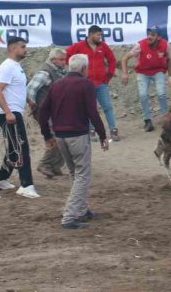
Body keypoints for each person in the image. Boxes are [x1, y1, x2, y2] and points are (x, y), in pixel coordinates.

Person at [38, 53, 109, 230]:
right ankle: (69, 216)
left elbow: (43, 113)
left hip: (60, 136)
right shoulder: (86, 85)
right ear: (84, 68)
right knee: (82, 175)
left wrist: (47, 135)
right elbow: (93, 113)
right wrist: (102, 135)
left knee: (74, 173)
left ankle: (81, 210)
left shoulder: (56, 85)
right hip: (77, 135)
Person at [0, 37, 40, 199]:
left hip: (14, 111)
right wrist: (8, 112)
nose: (26, 49)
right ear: (13, 49)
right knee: (21, 147)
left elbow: (17, 88)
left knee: (14, 147)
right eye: (23, 47)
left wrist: (29, 101)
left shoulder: (16, 66)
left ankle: (0, 179)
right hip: (9, 113)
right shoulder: (7, 67)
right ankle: (26, 185)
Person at [66, 25, 119, 141]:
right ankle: (91, 131)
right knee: (90, 108)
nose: (100, 37)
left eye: (101, 35)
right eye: (98, 35)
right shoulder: (79, 46)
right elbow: (67, 56)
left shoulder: (103, 46)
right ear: (90, 34)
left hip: (101, 83)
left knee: (108, 107)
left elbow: (112, 60)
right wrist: (75, 73)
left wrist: (109, 75)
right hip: (86, 84)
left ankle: (113, 130)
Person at [27, 48, 69, 179]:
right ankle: (45, 164)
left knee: (63, 138)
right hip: (46, 112)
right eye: (61, 60)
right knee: (56, 138)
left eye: (64, 59)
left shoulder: (59, 72)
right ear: (53, 60)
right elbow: (29, 91)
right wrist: (35, 106)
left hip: (55, 112)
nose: (64, 62)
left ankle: (55, 166)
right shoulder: (44, 73)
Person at [121, 26, 171, 132]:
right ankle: (147, 121)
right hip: (143, 72)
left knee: (161, 93)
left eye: (153, 35)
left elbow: (169, 60)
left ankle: (166, 118)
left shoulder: (165, 45)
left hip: (158, 70)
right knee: (143, 95)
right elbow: (125, 58)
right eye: (148, 34)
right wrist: (124, 73)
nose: (149, 37)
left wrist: (170, 76)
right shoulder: (140, 45)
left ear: (158, 37)